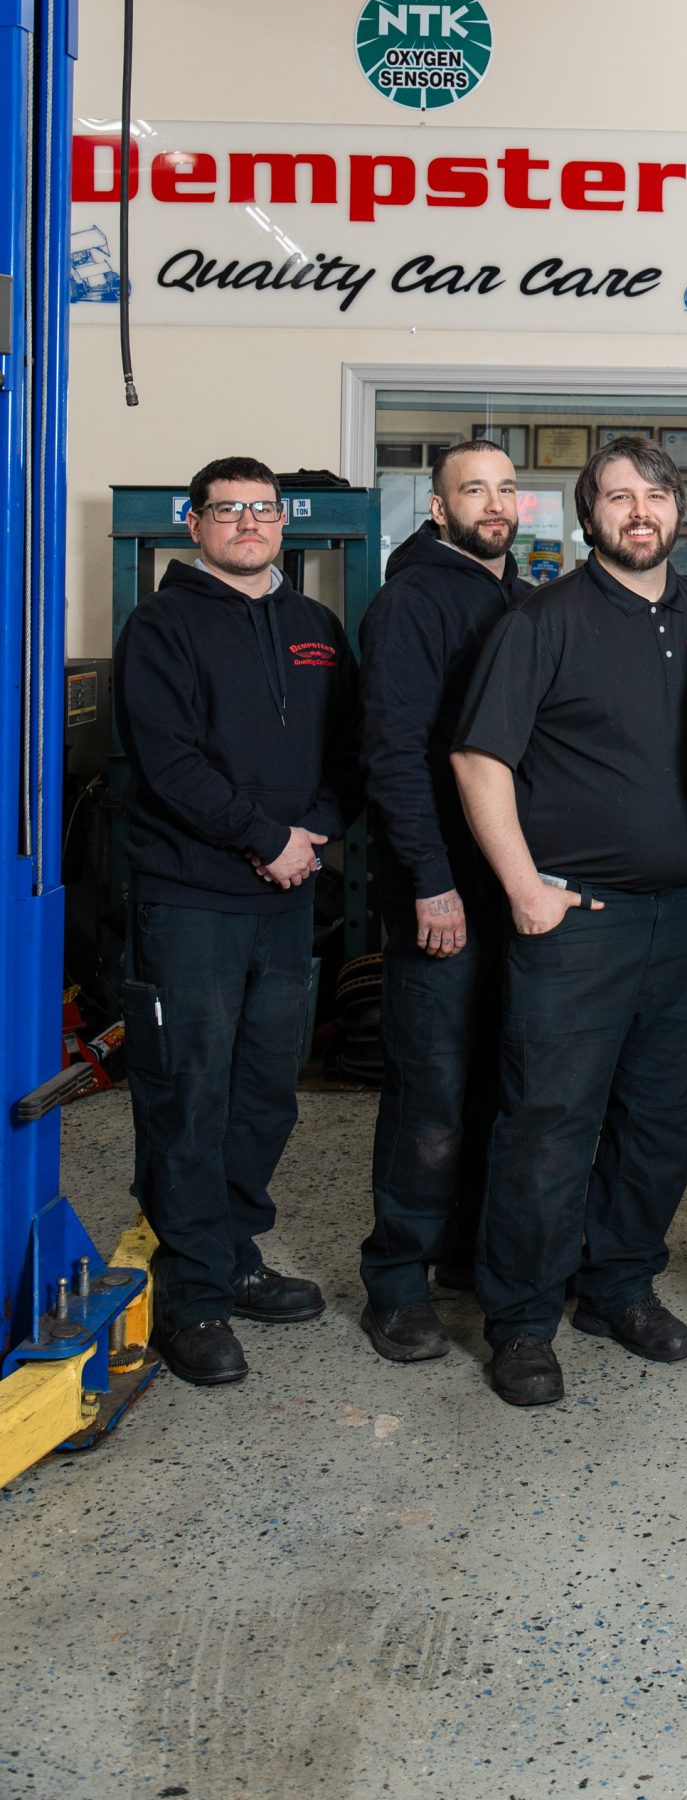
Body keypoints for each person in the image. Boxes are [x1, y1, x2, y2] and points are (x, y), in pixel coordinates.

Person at [450, 436, 687, 1410]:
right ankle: (523, 1321)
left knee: (663, 1119)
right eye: (618, 496)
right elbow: (480, 759)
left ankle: (618, 1286)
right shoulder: (543, 620)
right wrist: (523, 887)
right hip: (577, 921)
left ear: (678, 509)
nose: (639, 511)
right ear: (587, 515)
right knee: (548, 1123)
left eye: (656, 494)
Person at [113, 456, 359, 1388]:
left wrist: (315, 832)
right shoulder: (161, 626)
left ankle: (235, 1255)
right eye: (228, 510)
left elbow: (351, 750)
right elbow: (169, 762)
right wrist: (266, 838)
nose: (249, 523)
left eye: (263, 508)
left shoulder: (316, 628)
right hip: (191, 901)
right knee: (187, 1093)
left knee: (264, 1092)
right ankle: (191, 1296)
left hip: (286, 901)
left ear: (284, 521)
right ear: (195, 523)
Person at [357, 440, 522, 1364]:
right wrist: (430, 880)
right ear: (437, 506)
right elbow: (391, 753)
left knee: (495, 1080)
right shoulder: (412, 601)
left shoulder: (516, 597)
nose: (493, 504)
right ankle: (394, 1282)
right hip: (443, 890)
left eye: (506, 489)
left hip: (508, 889)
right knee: (430, 1092)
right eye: (473, 489)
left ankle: (463, 1254)